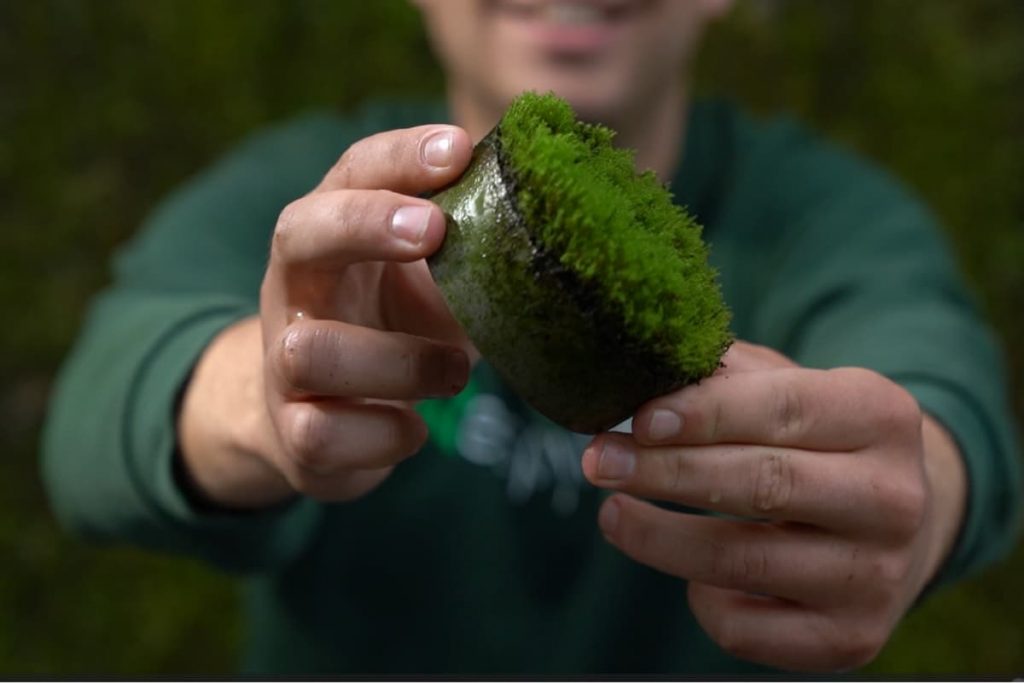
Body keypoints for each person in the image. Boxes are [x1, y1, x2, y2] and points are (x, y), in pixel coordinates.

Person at [42, 0, 1021, 674]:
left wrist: (919, 487)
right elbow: (99, 411)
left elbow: (936, 384)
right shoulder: (294, 189)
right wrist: (258, 397)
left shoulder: (824, 217)